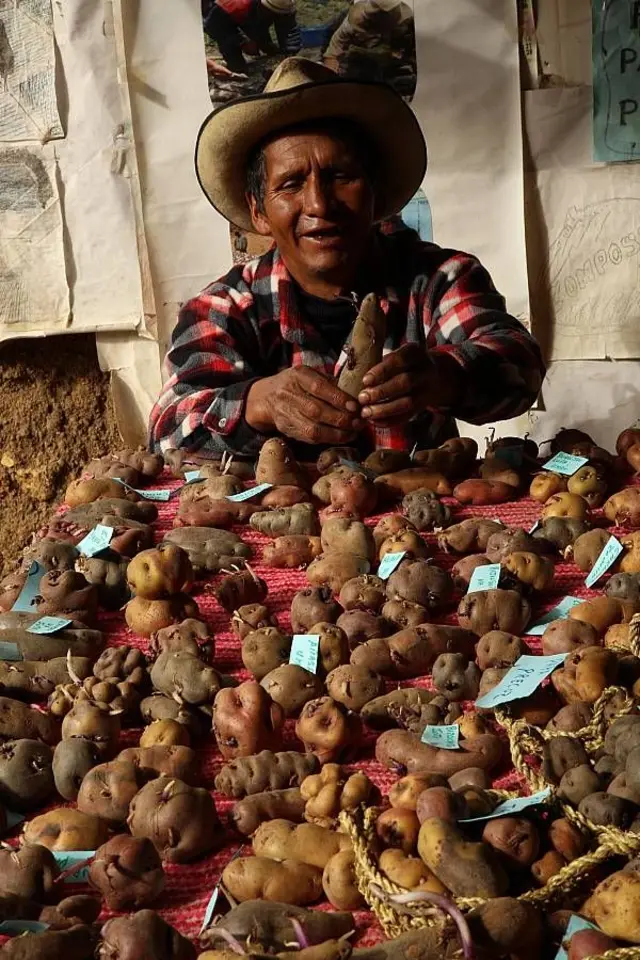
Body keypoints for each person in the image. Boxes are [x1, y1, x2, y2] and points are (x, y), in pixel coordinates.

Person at [149, 57, 545, 459]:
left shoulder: (439, 278)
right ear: (258, 212)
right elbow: (168, 432)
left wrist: (446, 375)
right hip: (279, 519)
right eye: (290, 184)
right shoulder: (222, 309)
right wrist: (259, 403)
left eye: (342, 176)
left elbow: (522, 368)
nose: (320, 204)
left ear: (376, 192)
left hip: (422, 517)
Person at [323, 0, 415, 86]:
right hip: (359, 53)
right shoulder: (352, 24)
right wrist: (331, 75)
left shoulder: (406, 25)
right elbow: (333, 50)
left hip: (385, 54)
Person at [203, 0, 301, 75]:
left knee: (274, 49)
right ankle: (237, 69)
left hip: (257, 13)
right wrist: (242, 41)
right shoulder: (230, 6)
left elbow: (290, 31)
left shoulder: (286, 5)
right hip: (223, 19)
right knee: (231, 50)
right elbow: (213, 27)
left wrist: (289, 53)